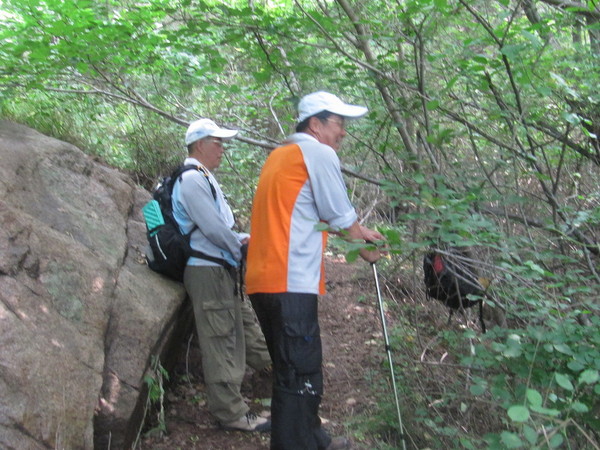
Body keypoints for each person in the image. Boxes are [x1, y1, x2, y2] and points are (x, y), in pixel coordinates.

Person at [245, 91, 385, 450]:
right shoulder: (318, 152)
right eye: (339, 123)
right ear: (315, 124)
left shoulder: (281, 155)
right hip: (288, 280)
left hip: (264, 280)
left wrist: (357, 232)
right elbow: (340, 213)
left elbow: (309, 211)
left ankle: (313, 438)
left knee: (291, 368)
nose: (343, 133)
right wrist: (367, 248)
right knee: (301, 373)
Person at [172, 118, 272, 432]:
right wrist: (241, 247)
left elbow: (216, 227)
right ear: (200, 144)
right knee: (221, 339)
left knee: (243, 324)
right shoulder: (191, 179)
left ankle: (274, 375)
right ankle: (232, 414)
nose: (222, 148)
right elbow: (213, 229)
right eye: (218, 142)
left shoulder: (203, 177)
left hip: (219, 268)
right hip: (207, 271)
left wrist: (239, 240)